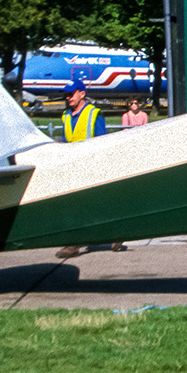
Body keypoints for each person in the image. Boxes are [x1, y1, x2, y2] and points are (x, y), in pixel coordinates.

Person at [56, 79, 123, 257]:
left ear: (82, 94)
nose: (68, 97)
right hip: (72, 167)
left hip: (91, 166)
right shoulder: (66, 116)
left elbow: (102, 142)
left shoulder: (94, 114)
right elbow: (65, 141)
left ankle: (117, 233)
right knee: (73, 205)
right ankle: (73, 244)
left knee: (97, 203)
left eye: (71, 94)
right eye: (66, 94)